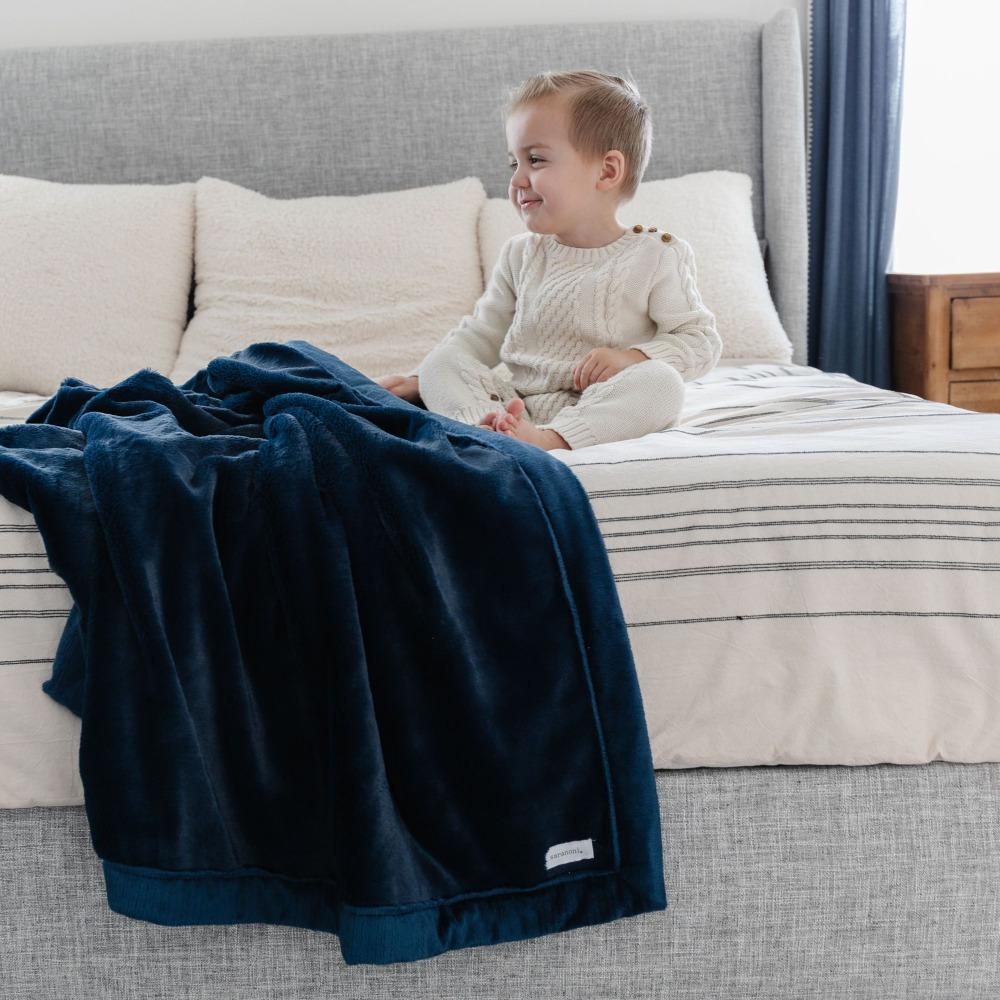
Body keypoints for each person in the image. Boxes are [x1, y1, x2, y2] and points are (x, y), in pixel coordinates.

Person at [377, 70, 722, 451]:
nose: (517, 180)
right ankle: (484, 427)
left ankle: (551, 439)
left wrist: (634, 357)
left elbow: (699, 340)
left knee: (662, 383)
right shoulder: (521, 255)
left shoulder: (656, 255)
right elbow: (479, 336)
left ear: (607, 171)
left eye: (535, 160)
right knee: (443, 362)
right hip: (517, 403)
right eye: (514, 164)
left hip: (601, 403)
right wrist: (422, 378)